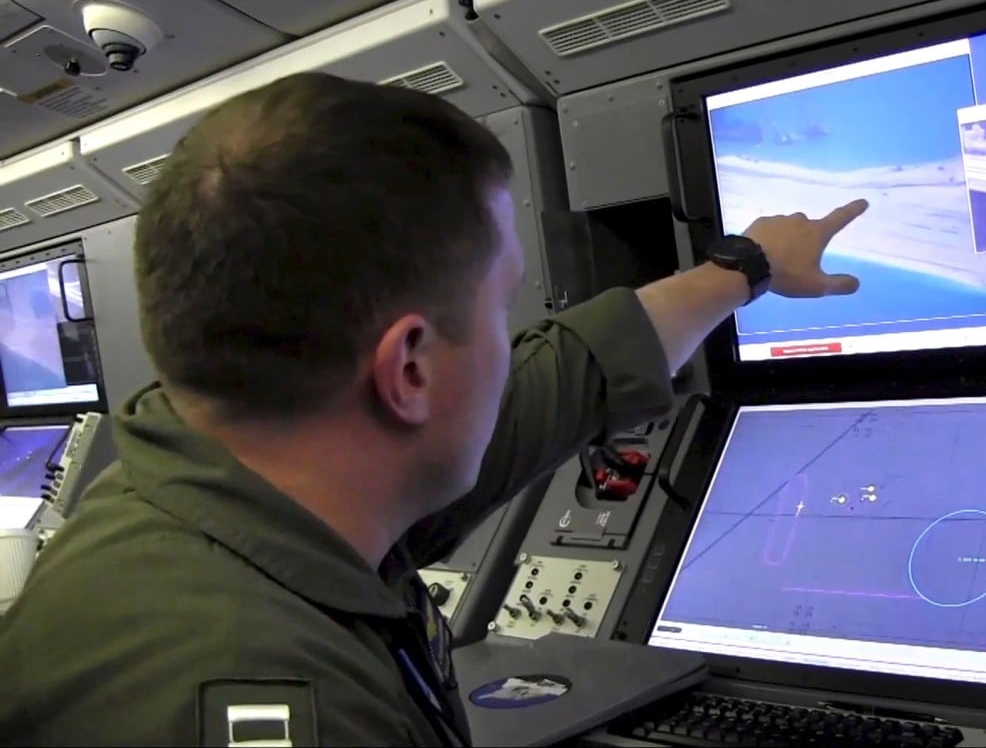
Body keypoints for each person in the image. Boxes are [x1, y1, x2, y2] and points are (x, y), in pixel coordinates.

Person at [0, 72, 867, 747]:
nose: (509, 344)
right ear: (409, 369)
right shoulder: (266, 693)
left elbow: (560, 382)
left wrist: (746, 266)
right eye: (500, 309)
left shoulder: (233, 489)